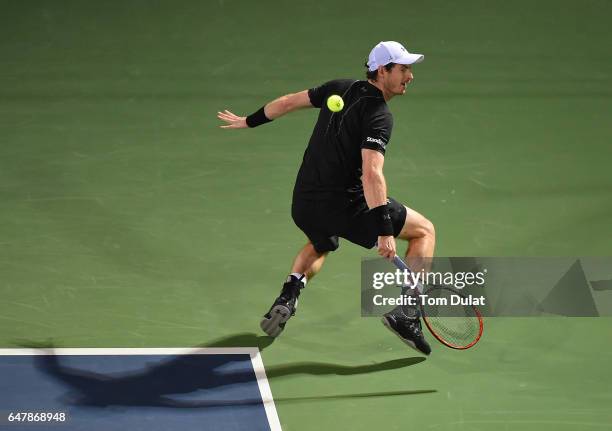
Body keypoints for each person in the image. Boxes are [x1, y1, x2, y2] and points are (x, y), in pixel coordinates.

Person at [217, 41, 436, 355]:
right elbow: (372, 174)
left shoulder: (340, 88)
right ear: (382, 70)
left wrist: (249, 120)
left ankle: (289, 292)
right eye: (403, 69)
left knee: (323, 242)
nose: (410, 76)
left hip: (304, 201)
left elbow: (289, 102)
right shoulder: (379, 115)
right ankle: (407, 314)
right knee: (424, 230)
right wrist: (384, 230)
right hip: (348, 206)